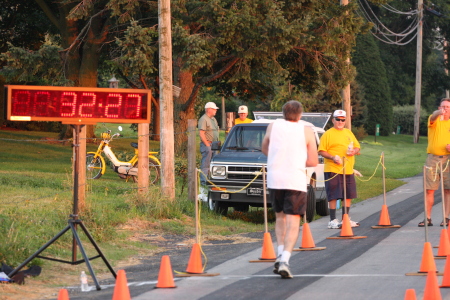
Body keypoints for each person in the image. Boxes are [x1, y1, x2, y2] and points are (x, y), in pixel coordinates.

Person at [261, 100, 318, 279]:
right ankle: (285, 259)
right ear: (300, 115)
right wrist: (297, 160)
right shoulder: (307, 130)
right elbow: (313, 161)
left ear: (283, 113)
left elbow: (264, 148)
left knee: (280, 217)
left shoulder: (273, 126)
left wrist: (279, 157)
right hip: (295, 179)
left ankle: (279, 254)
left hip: (275, 178)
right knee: (294, 221)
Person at [318, 109, 361, 229]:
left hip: (347, 169)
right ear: (333, 120)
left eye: (343, 120)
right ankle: (332, 220)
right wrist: (332, 157)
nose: (340, 122)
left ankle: (345, 218)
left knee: (348, 194)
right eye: (338, 119)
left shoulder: (348, 133)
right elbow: (321, 150)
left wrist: (354, 151)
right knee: (333, 194)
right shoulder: (328, 134)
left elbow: (357, 147)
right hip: (333, 168)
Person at [420, 99, 450, 227]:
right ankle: (427, 218)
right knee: (429, 190)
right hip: (432, 159)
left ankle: (446, 217)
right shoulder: (434, 119)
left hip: (448, 159)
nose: (445, 109)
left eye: (448, 107)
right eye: (443, 106)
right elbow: (432, 116)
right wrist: (439, 112)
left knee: (448, 189)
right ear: (439, 107)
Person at [198, 102, 220, 195]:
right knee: (206, 165)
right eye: (214, 109)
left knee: (213, 165)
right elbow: (201, 133)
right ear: (209, 109)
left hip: (214, 145)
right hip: (208, 144)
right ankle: (204, 184)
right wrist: (207, 145)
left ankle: (211, 182)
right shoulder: (203, 119)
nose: (215, 111)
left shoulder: (213, 119)